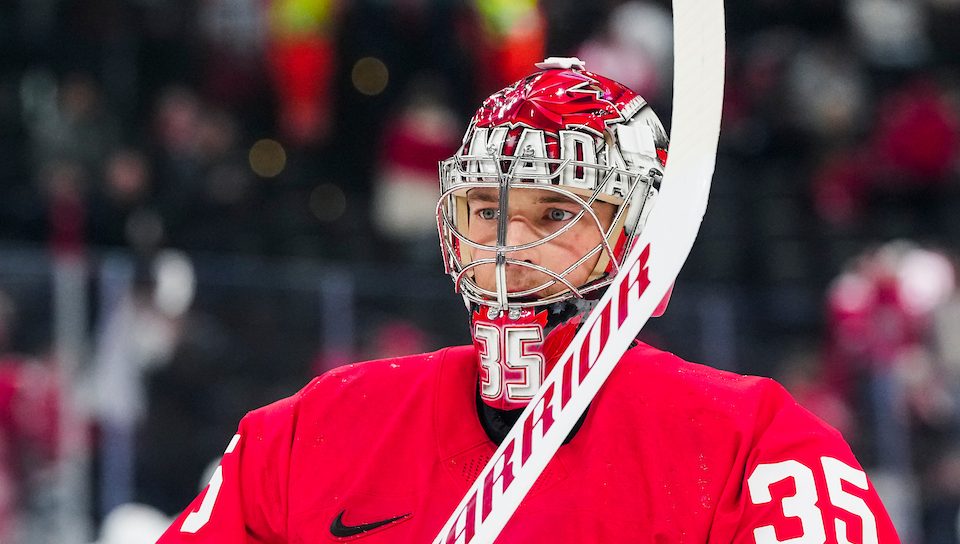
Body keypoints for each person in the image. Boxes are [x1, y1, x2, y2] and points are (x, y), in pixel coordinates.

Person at [158, 58, 899, 542]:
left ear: (643, 243)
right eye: (486, 209)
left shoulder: (760, 449)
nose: (506, 246)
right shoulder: (312, 431)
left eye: (554, 213)